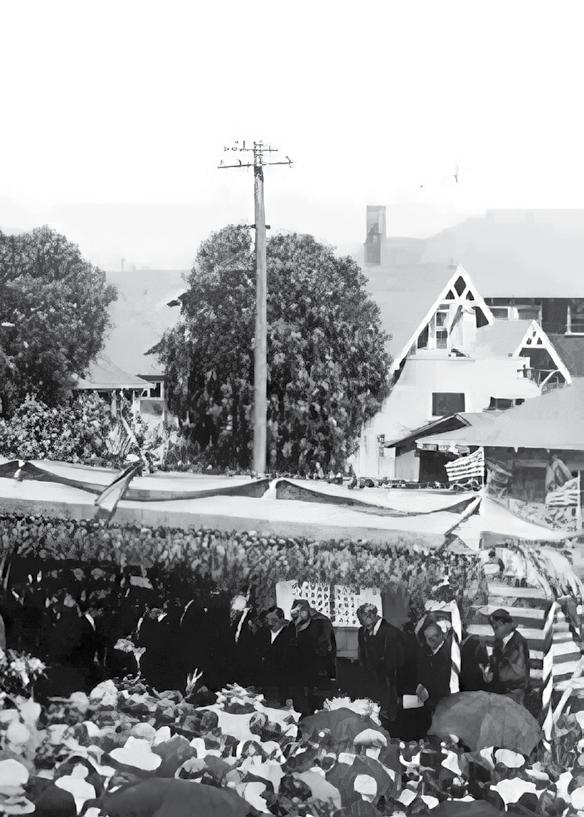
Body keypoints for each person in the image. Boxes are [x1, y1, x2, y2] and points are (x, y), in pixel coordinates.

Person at [356, 603, 404, 730]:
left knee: (386, 719)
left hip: (387, 682)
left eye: (363, 620)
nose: (362, 624)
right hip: (370, 682)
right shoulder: (362, 632)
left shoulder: (392, 633)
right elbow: (362, 655)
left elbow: (395, 661)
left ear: (372, 616)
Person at [289, 599, 337, 714]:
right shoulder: (294, 624)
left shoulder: (322, 622)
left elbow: (326, 648)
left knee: (316, 706)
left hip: (318, 670)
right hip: (300, 672)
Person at [483, 608, 530, 705]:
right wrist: (490, 673)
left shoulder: (518, 643)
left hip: (514, 693)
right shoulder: (499, 643)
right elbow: (495, 665)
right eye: (493, 628)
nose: (494, 631)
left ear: (506, 624)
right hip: (501, 691)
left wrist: (496, 676)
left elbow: (519, 674)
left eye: (496, 627)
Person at [257, 606, 295, 705]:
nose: (269, 622)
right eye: (268, 619)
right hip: (265, 683)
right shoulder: (262, 633)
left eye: (273, 619)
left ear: (281, 620)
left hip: (283, 685)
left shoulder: (290, 635)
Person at [417, 620, 453, 712]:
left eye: (431, 639)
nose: (428, 642)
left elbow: (441, 681)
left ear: (440, 636)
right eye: (426, 638)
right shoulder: (428, 650)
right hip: (430, 697)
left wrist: (427, 690)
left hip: (440, 700)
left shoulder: (445, 655)